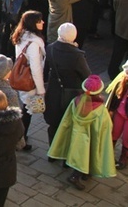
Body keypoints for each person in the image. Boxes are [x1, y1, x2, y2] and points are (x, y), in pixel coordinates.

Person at [47, 75, 116, 191]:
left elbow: (67, 118)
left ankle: (80, 170)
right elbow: (105, 126)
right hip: (89, 137)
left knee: (76, 153)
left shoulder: (75, 101)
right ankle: (75, 176)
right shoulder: (100, 109)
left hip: (75, 134)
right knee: (85, 155)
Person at [44, 23, 91, 145]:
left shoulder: (50, 48)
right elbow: (87, 76)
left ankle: (52, 151)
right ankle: (64, 157)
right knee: (68, 124)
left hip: (54, 90)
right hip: (72, 94)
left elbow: (46, 70)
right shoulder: (77, 55)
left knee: (53, 123)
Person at [10, 10, 46, 150]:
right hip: (29, 82)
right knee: (27, 111)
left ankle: (20, 136)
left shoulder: (21, 36)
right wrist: (41, 90)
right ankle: (21, 140)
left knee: (24, 109)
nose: (42, 22)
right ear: (33, 24)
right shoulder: (34, 43)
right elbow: (36, 68)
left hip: (21, 78)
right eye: (39, 21)